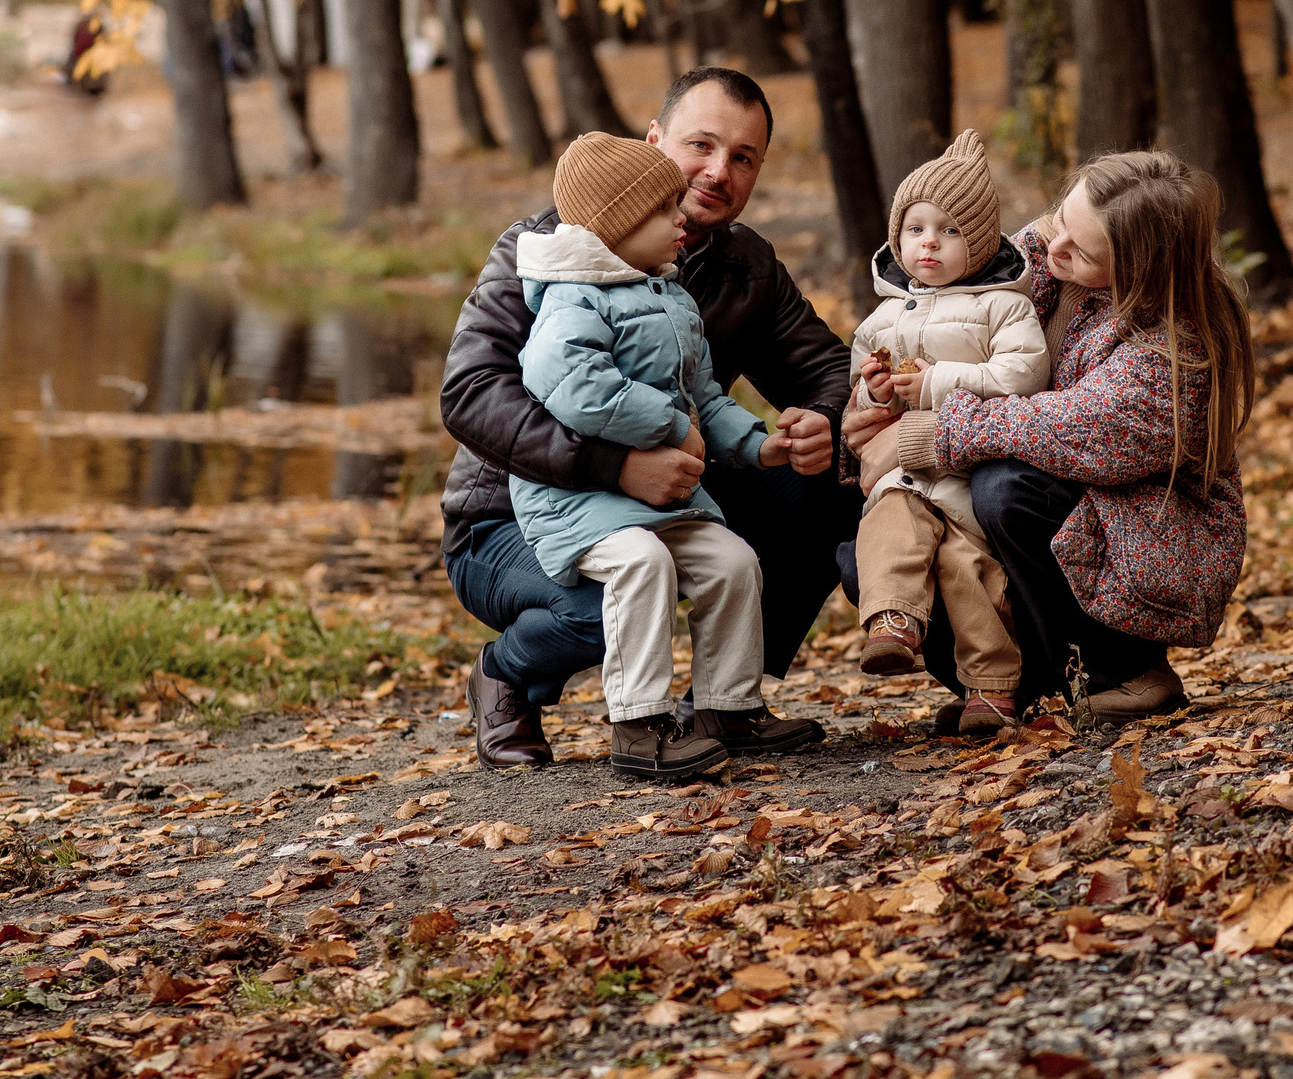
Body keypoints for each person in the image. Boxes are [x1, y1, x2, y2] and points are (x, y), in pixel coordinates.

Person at [440, 67, 861, 767]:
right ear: (654, 140)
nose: (719, 171)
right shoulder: (548, 251)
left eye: (744, 157)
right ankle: (504, 673)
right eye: (701, 145)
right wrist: (616, 466)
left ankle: (725, 704)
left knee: (827, 482)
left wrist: (820, 418)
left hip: (667, 495)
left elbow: (828, 370)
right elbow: (470, 393)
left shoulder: (745, 267)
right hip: (514, 516)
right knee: (616, 601)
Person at [843, 151, 1254, 723]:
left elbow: (1078, 424)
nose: (1050, 247)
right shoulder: (1035, 258)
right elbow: (936, 323)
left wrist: (926, 432)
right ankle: (998, 688)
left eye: (1080, 252)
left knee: (1005, 490)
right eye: (1060, 220)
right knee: (870, 542)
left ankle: (1126, 671)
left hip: (1141, 535)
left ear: (1141, 270)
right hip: (1021, 486)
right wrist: (869, 411)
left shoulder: (1175, 342)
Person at [507, 133, 822, 777]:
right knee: (643, 564)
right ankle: (638, 724)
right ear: (615, 227)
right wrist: (670, 426)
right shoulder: (573, 296)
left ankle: (727, 707)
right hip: (575, 499)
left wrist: (758, 444)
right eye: (662, 210)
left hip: (655, 501)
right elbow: (574, 385)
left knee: (733, 561)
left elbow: (702, 395)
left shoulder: (669, 295)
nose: (682, 219)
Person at [846, 130, 1048, 735]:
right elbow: (862, 396)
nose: (928, 241)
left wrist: (936, 381)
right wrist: (875, 390)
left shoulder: (1002, 306)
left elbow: (1023, 375)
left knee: (968, 571)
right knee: (887, 530)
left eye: (950, 230)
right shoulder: (882, 317)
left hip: (963, 467)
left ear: (980, 242)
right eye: (915, 228)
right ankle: (893, 622)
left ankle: (992, 689)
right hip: (904, 470)